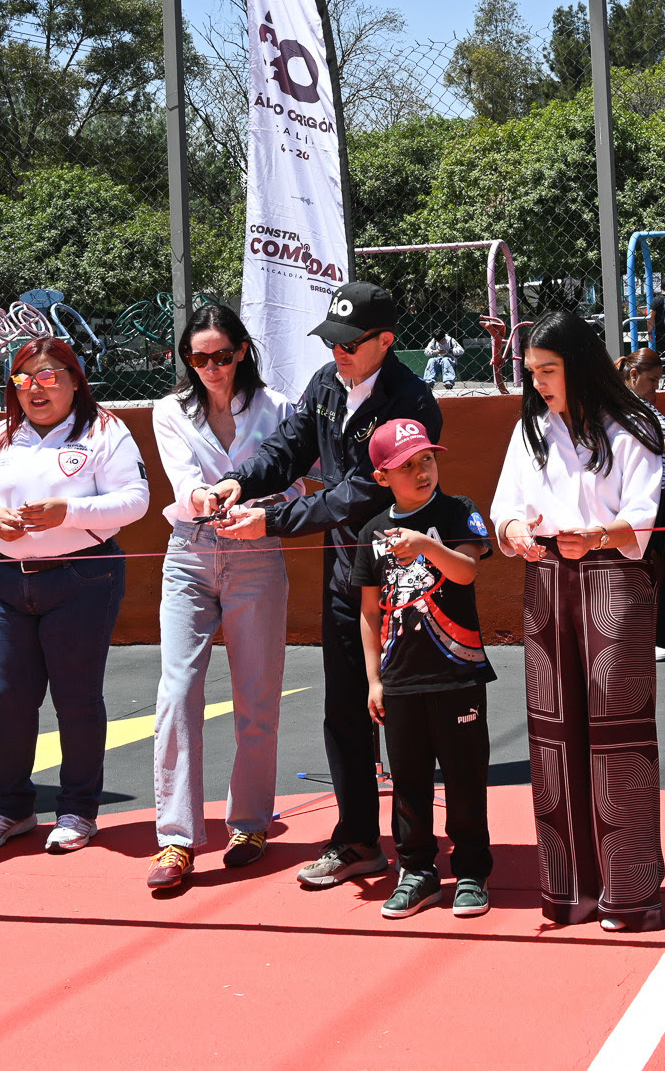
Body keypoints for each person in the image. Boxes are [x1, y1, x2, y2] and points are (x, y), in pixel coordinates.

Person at [203, 282, 442, 889]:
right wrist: (240, 482)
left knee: (406, 714)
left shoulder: (411, 401)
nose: (337, 352)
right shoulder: (325, 386)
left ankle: (420, 854)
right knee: (346, 711)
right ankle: (359, 838)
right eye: (330, 340)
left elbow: (361, 491)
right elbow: (288, 448)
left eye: (349, 343)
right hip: (344, 577)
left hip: (404, 579)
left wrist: (272, 521)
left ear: (385, 342)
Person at [490, 310, 665, 929]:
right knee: (554, 738)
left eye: (550, 370)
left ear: (580, 365)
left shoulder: (632, 427)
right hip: (547, 587)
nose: (539, 383)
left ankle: (630, 891)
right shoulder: (532, 431)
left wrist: (598, 535)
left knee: (617, 737)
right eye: (532, 371)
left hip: (614, 588)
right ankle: (568, 889)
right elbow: (504, 510)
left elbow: (645, 516)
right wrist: (514, 530)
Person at [0, 337, 147, 857]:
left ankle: (78, 810)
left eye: (48, 377)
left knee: (76, 698)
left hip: (82, 578)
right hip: (9, 580)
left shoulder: (104, 429)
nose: (35, 389)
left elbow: (136, 500)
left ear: (74, 380)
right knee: (8, 697)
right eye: (24, 380)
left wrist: (71, 513)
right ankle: (10, 807)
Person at [144, 304, 295, 890]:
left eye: (223, 356)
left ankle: (251, 822)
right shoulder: (168, 411)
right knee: (176, 692)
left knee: (257, 692)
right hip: (189, 553)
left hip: (257, 554)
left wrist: (269, 503)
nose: (212, 367)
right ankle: (176, 839)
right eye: (198, 357)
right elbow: (184, 485)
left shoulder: (278, 407)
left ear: (242, 352)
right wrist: (206, 500)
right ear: (187, 358)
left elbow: (300, 476)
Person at [352, 418, 495, 920]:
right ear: (382, 477)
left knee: (465, 775)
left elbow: (467, 570)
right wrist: (373, 679)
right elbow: (370, 611)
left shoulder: (459, 512)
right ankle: (416, 869)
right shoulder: (371, 533)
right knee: (408, 780)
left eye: (427, 460)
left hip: (458, 672)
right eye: (406, 466)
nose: (421, 471)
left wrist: (428, 546)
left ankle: (473, 869)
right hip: (400, 678)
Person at [620, 349, 665, 661]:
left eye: (659, 380)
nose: (656, 387)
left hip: (664, 495)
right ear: (633, 376)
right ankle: (639, 639)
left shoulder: (646, 406)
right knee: (637, 567)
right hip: (637, 496)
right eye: (651, 380)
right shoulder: (618, 407)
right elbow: (624, 446)